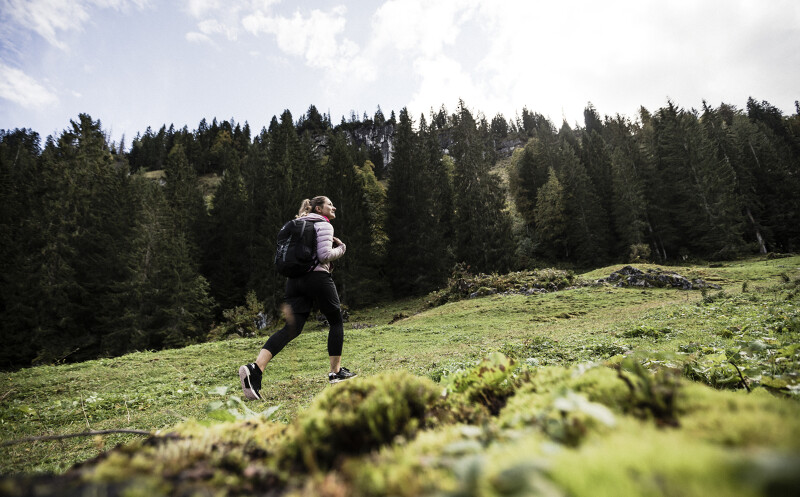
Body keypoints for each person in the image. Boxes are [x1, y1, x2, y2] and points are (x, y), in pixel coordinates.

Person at [239, 196, 356, 400]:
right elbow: (325, 255)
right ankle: (336, 372)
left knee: (292, 328)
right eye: (330, 204)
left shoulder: (297, 223)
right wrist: (342, 248)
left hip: (294, 281)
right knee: (336, 321)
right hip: (317, 277)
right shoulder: (324, 224)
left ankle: (255, 370)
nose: (334, 207)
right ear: (319, 208)